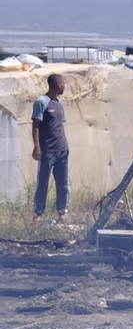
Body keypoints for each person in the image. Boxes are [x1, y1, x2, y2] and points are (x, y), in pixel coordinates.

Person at [31, 73, 69, 223]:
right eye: (64, 83)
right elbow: (35, 126)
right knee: (42, 182)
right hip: (47, 151)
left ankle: (62, 213)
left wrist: (65, 146)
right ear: (58, 84)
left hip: (62, 150)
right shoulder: (42, 102)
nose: (65, 86)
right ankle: (39, 214)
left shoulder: (60, 103)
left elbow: (59, 126)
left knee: (63, 183)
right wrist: (36, 147)